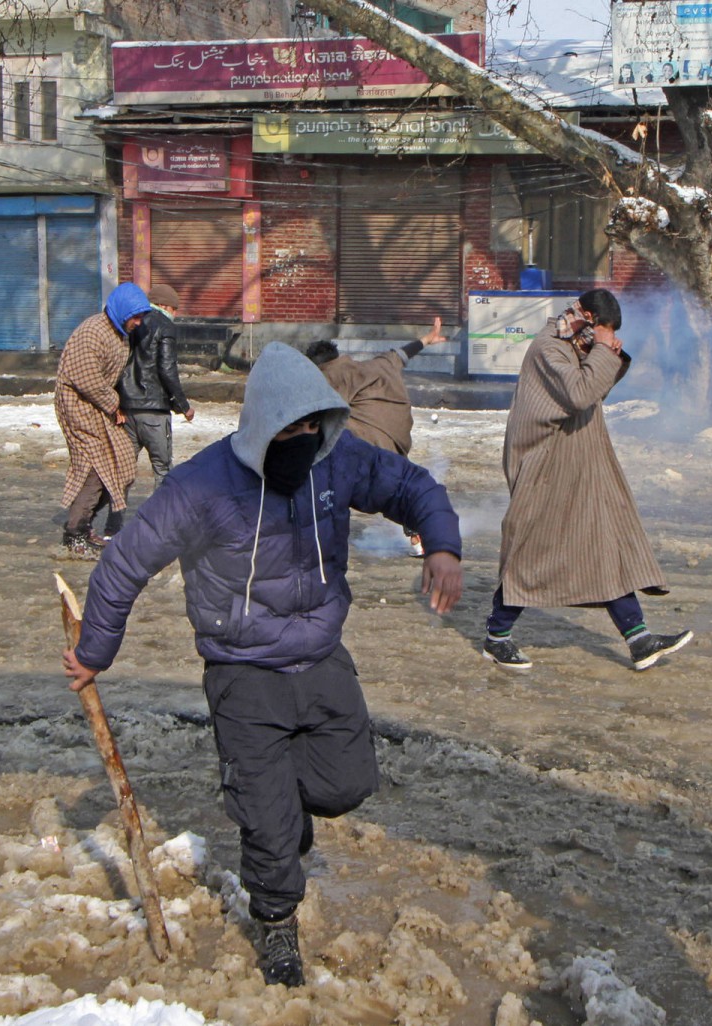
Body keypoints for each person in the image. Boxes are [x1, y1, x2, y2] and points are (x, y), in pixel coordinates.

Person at [62, 342, 463, 988]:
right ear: (263, 427)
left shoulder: (336, 461)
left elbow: (409, 484)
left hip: (322, 655)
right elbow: (126, 563)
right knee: (273, 829)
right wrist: (93, 652)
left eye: (314, 427)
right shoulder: (203, 486)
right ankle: (278, 926)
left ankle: (272, 801)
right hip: (242, 670)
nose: (305, 440)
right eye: (292, 430)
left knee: (347, 783)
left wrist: (442, 545)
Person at [482, 288, 691, 673]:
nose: (605, 339)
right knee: (533, 551)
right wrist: (600, 353)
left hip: (579, 463)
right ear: (589, 319)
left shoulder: (575, 345)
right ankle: (497, 637)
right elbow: (579, 395)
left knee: (604, 543)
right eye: (605, 331)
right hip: (544, 466)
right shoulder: (549, 348)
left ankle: (639, 639)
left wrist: (607, 355)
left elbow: (596, 392)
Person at [307, 317, 450, 555]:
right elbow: (401, 354)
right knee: (397, 491)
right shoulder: (378, 365)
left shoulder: (329, 376)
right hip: (398, 448)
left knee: (319, 451)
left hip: (369, 451)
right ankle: (421, 531)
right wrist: (427, 339)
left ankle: (318, 528)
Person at [55, 283, 148, 558]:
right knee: (96, 467)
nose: (138, 322)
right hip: (78, 407)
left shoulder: (119, 334)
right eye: (135, 316)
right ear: (122, 311)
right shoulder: (93, 332)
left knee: (121, 463)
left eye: (142, 317)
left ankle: (84, 524)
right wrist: (113, 403)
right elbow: (85, 378)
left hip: (98, 405)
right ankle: (76, 532)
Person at [105, 282, 194, 537]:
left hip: (126, 409)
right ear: (165, 306)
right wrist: (183, 405)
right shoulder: (165, 326)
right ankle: (159, 528)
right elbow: (167, 369)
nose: (175, 314)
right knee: (162, 469)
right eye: (174, 309)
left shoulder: (130, 322)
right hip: (154, 411)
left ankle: (113, 526)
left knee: (122, 469)